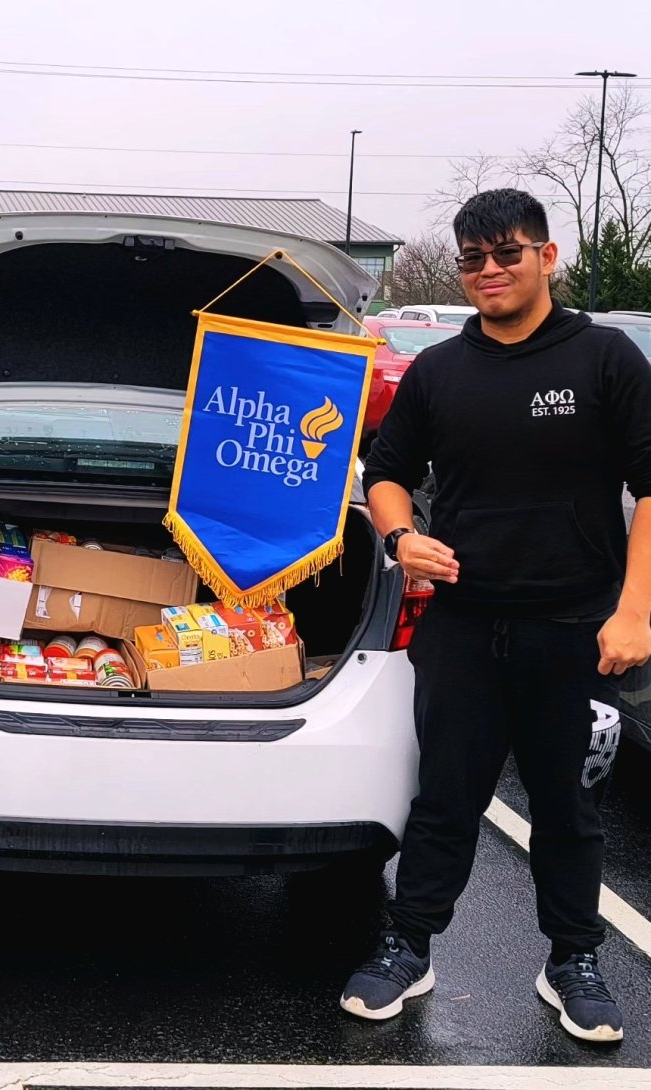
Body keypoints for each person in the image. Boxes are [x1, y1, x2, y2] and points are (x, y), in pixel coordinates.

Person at [341, 188, 651, 1044]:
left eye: (506, 254)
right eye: (473, 258)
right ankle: (410, 945)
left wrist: (636, 611)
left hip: (576, 628)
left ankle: (573, 960)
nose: (488, 271)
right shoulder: (441, 370)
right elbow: (385, 470)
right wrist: (403, 537)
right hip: (464, 626)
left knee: (568, 805)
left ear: (547, 258)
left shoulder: (606, 359)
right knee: (445, 797)